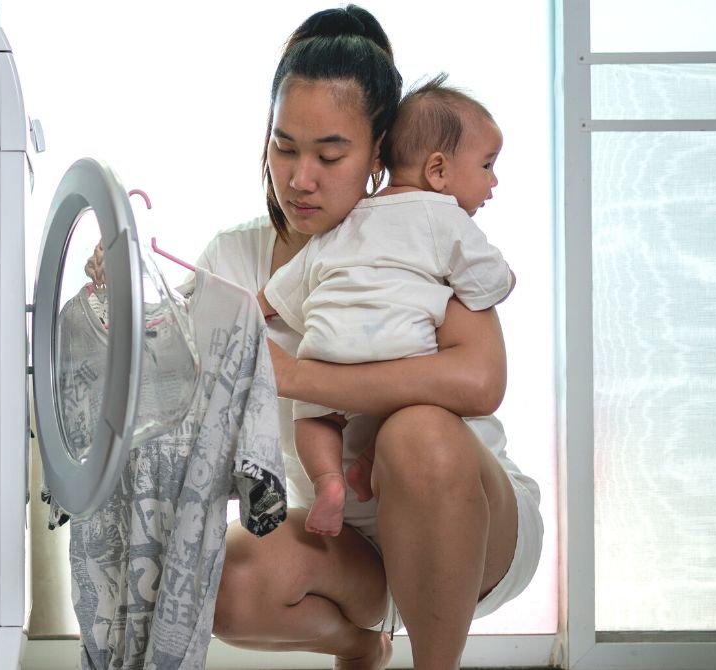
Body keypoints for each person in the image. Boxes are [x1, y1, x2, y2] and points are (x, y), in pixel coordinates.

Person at [190, 7, 543, 670]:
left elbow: (480, 383)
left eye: (329, 153)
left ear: (381, 150)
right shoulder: (234, 259)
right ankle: (361, 645)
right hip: (343, 534)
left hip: (473, 523)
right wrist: (117, 288)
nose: (299, 178)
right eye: (284, 146)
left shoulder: (423, 233)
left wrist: (301, 377)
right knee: (224, 584)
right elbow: (184, 373)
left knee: (415, 434)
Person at [258, 74, 517, 538]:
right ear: (437, 171)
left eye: (331, 153)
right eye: (487, 166)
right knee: (403, 414)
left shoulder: (344, 224)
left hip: (326, 351)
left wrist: (253, 309)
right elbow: (485, 281)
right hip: (404, 355)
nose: (493, 182)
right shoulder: (445, 218)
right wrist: (505, 279)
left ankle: (330, 483)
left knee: (314, 421)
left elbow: (282, 290)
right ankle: (367, 466)